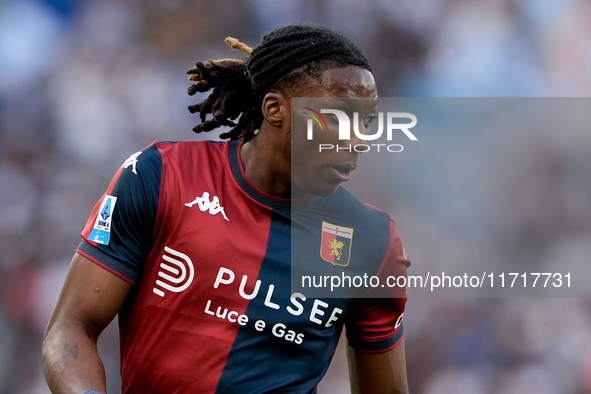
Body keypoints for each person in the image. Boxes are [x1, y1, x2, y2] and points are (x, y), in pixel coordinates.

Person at [42, 23, 410, 394]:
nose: (359, 141)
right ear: (275, 109)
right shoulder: (162, 176)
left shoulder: (373, 244)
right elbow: (71, 328)